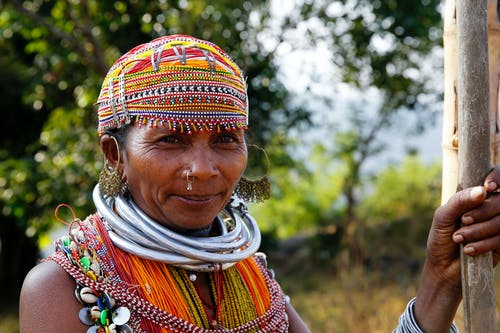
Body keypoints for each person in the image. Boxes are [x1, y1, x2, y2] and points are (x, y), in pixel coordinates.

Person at [18, 34, 500, 333]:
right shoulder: (64, 288)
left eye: (225, 139)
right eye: (170, 140)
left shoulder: (253, 280)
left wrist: (440, 278)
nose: (204, 169)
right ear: (115, 155)